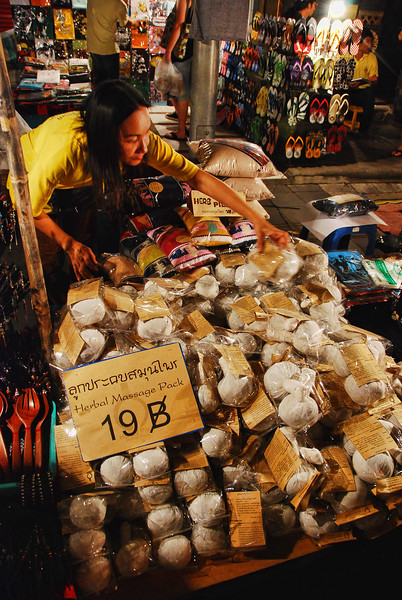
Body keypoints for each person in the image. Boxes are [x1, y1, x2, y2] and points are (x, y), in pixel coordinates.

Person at [7, 80, 290, 302]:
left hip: (83, 181)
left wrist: (257, 220)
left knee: (86, 246)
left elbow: (198, 178)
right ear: (105, 137)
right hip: (31, 187)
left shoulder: (143, 144)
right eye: (132, 139)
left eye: (145, 134)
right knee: (49, 261)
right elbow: (26, 207)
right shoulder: (64, 152)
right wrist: (68, 244)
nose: (144, 147)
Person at [162, 0, 193, 141]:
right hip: (190, 48)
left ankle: (181, 130)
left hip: (181, 49)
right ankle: (185, 124)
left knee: (179, 92)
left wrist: (168, 50)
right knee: (183, 90)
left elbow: (179, 24)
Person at [86, 0, 133, 88]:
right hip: (108, 48)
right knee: (113, 84)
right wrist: (135, 22)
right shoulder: (118, 3)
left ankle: (99, 96)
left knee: (99, 81)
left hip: (93, 46)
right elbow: (124, 23)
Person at [348, 28, 378, 133]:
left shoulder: (372, 57)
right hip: (348, 89)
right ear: (359, 42)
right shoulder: (348, 55)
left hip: (363, 92)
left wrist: (371, 80)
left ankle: (363, 131)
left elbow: (374, 79)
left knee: (370, 94)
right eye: (368, 41)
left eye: (371, 41)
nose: (370, 44)